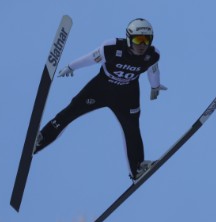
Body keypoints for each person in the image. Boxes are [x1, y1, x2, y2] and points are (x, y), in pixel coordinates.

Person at [33, 18, 167, 181]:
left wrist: (155, 86)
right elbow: (90, 58)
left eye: (146, 40)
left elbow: (153, 70)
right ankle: (40, 140)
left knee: (132, 128)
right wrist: (71, 66)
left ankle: (137, 168)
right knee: (71, 112)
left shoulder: (152, 55)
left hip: (127, 95)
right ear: (129, 38)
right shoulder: (111, 48)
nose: (142, 45)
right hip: (101, 89)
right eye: (138, 39)